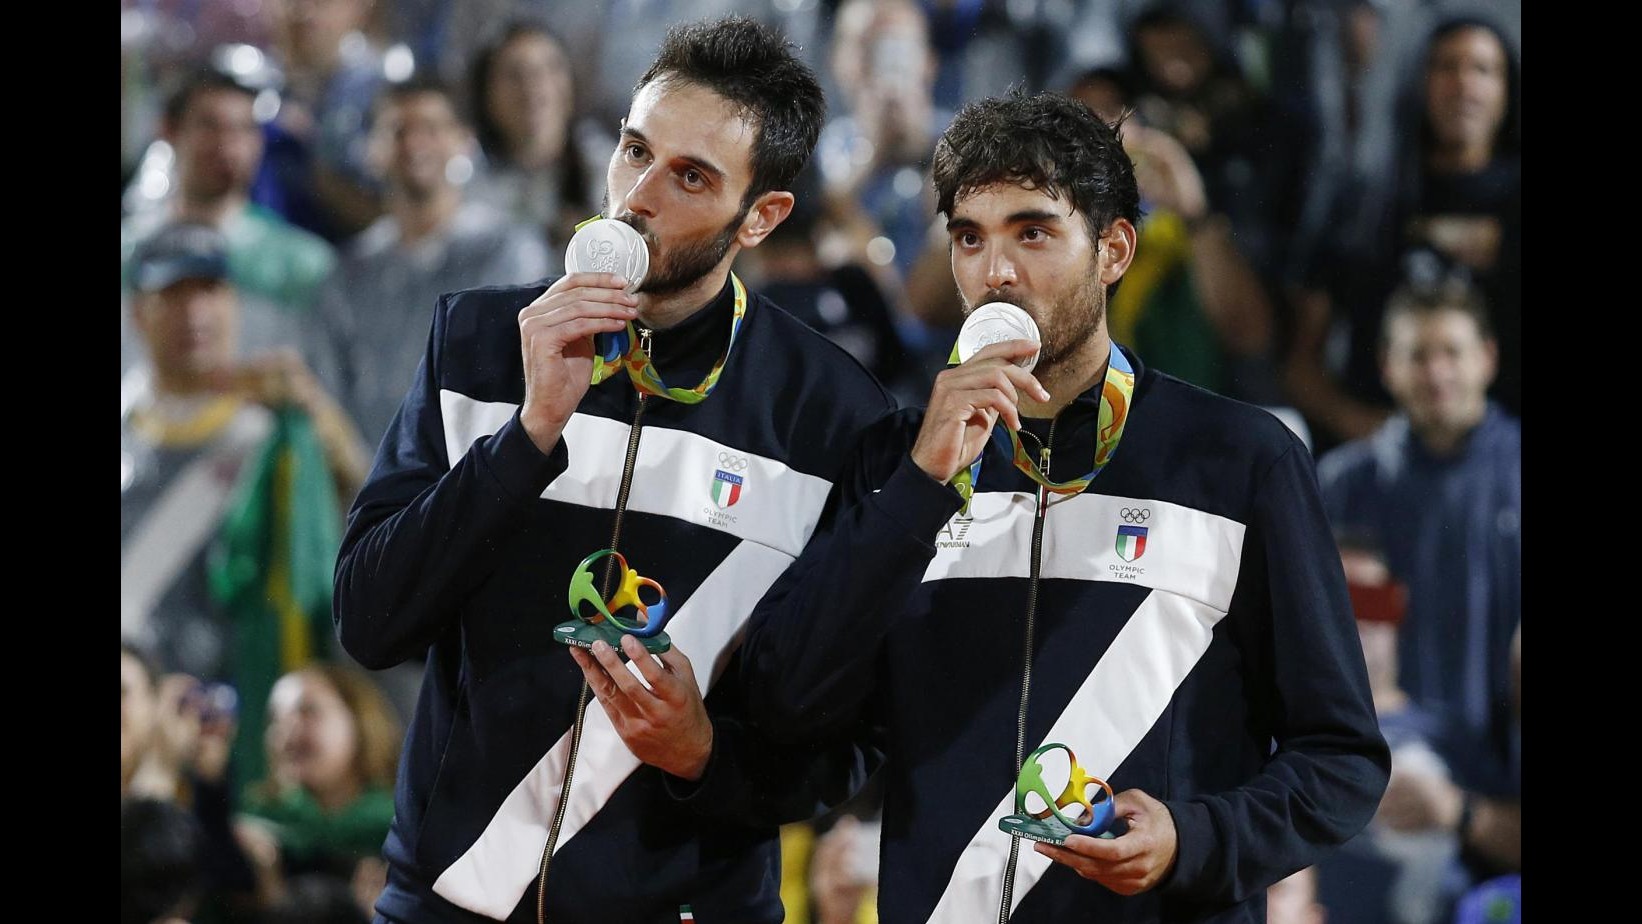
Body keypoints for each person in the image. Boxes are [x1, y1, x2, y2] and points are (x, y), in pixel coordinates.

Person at [739, 90, 1389, 923]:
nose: (996, 272)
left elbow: (1340, 759)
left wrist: (1200, 839)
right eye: (970, 238)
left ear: (1114, 249)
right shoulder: (895, 462)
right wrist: (919, 489)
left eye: (1033, 231)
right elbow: (789, 704)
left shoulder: (1242, 461)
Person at [332, 17, 897, 923]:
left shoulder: (831, 416)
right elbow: (370, 621)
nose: (634, 196)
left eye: (690, 177)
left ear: (763, 216)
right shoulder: (477, 342)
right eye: (635, 149)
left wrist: (704, 755)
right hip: (444, 903)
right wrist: (528, 434)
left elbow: (851, 738)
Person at [122, 221, 371, 788]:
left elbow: (372, 517)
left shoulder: (274, 434)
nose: (195, 313)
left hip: (242, 727)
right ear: (140, 312)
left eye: (208, 290)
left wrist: (319, 418)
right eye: (173, 294)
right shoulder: (126, 429)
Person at [1315, 275, 1520, 894]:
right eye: (1417, 355)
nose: (1436, 374)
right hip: (1370, 762)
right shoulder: (1342, 485)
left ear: (1487, 357)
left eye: (1451, 352)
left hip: (1493, 779)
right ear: (1387, 367)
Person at [307, 74, 551, 456]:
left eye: (432, 128)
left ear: (463, 141)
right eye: (398, 130)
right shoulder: (347, 276)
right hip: (373, 493)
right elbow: (330, 400)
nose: (414, 144)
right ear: (373, 148)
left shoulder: (507, 252)